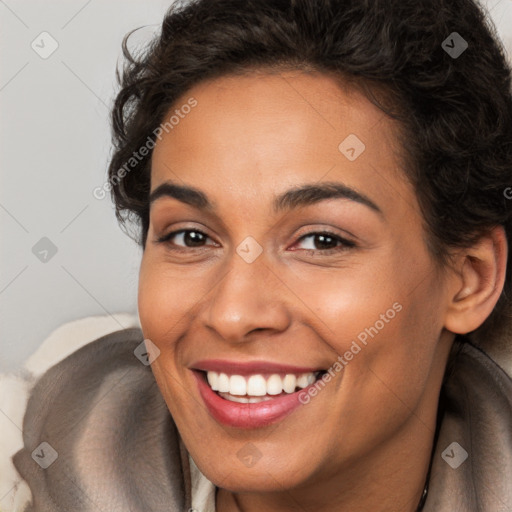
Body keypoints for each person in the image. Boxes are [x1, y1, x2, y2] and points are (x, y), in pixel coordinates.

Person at [11, 0, 512, 510]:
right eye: (190, 237)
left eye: (322, 240)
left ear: (470, 279)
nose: (233, 314)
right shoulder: (32, 446)